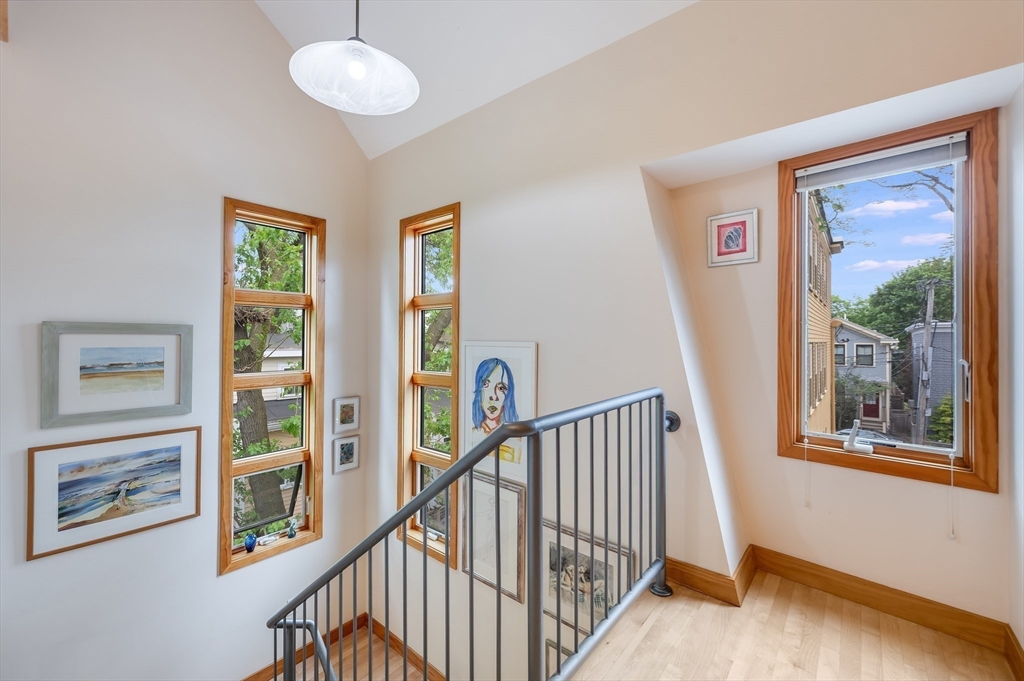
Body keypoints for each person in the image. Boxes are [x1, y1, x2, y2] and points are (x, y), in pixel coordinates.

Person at [470, 357, 520, 462]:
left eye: (501, 388)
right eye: (485, 385)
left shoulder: (517, 442)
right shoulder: (471, 435)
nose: (493, 396)